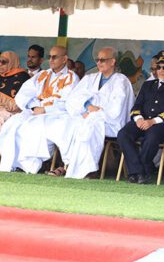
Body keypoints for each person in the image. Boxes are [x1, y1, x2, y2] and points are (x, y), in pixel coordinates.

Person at [46, 47, 135, 179]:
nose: (99, 63)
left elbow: (116, 110)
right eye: (97, 60)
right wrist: (87, 107)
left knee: (90, 125)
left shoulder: (121, 81)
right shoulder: (90, 78)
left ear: (112, 61)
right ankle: (67, 165)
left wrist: (95, 113)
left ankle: (89, 169)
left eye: (102, 60)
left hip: (110, 123)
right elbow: (72, 99)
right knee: (68, 124)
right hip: (86, 116)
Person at [0, 46, 79, 173]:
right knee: (12, 124)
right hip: (35, 110)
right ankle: (12, 163)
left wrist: (45, 109)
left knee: (35, 127)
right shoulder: (42, 75)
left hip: (56, 113)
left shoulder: (71, 78)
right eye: (49, 57)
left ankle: (31, 166)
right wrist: (34, 107)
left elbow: (69, 102)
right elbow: (23, 94)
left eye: (54, 57)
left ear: (64, 59)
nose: (51, 60)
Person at [117, 51, 164, 183]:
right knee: (123, 134)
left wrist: (152, 121)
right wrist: (139, 119)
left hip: (162, 126)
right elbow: (137, 106)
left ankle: (138, 172)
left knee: (151, 137)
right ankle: (140, 171)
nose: (160, 71)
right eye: (158, 67)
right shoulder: (147, 85)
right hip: (142, 121)